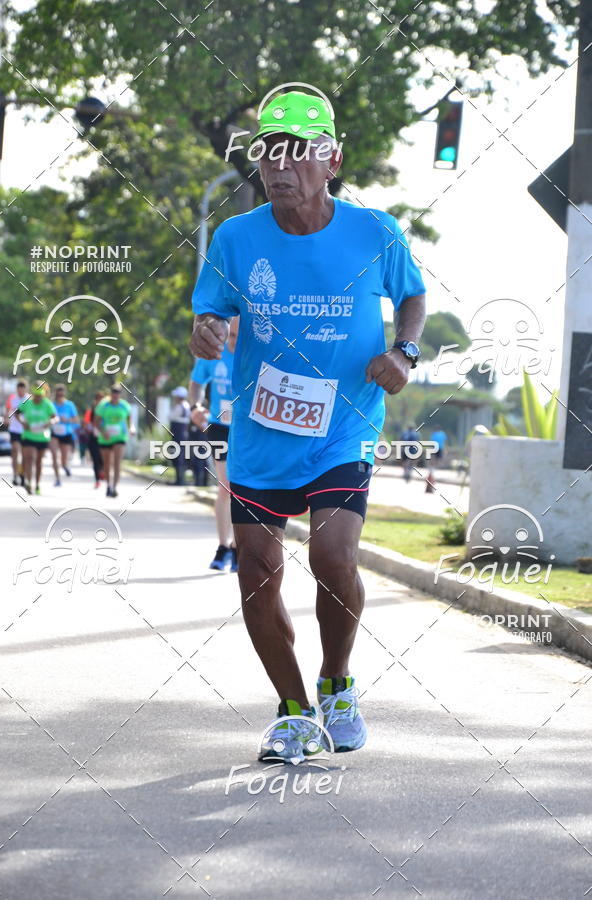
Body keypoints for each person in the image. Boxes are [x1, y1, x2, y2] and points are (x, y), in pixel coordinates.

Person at [189, 89, 426, 762]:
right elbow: (208, 315)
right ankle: (294, 713)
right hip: (263, 433)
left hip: (342, 426)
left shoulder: (373, 231)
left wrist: (405, 352)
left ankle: (337, 683)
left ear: (332, 160)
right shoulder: (237, 239)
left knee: (332, 558)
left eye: (298, 151)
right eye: (270, 150)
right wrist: (206, 333)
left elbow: (412, 294)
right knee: (256, 578)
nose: (280, 164)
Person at [189, 316, 239, 571]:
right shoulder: (215, 351)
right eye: (231, 337)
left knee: (246, 488)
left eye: (239, 339)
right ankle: (224, 546)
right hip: (219, 425)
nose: (234, 344)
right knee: (226, 486)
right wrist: (196, 406)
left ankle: (239, 547)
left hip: (250, 427)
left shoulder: (256, 353)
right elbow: (197, 383)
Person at [16, 381, 58, 495]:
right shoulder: (27, 403)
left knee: (38, 462)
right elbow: (16, 413)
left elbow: (55, 418)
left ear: (43, 395)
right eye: (36, 396)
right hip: (28, 436)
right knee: (30, 458)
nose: (38, 399)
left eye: (40, 397)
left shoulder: (47, 404)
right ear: (33, 394)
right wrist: (23, 423)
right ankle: (29, 482)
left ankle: (37, 484)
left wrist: (49, 423)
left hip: (42, 437)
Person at [94, 385, 133, 498]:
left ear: (120, 395)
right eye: (113, 393)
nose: (115, 395)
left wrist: (131, 428)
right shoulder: (103, 405)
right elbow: (96, 422)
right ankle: (108, 485)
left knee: (117, 462)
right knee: (107, 463)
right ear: (110, 394)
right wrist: (103, 431)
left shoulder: (124, 406)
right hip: (105, 437)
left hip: (120, 437)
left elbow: (130, 420)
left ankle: (114, 487)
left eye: (118, 393)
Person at [50, 384, 79, 487]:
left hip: (66, 433)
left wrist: (67, 420)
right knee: (54, 456)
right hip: (54, 433)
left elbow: (76, 419)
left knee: (63, 460)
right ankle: (57, 479)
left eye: (61, 394)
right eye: (58, 394)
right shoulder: (51, 405)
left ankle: (65, 466)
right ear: (55, 394)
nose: (59, 396)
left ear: (64, 394)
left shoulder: (70, 405)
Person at [4, 379, 29, 486]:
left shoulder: (29, 399)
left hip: (25, 430)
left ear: (25, 389)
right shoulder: (13, 398)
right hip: (14, 429)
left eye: (22, 390)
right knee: (15, 452)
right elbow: (7, 410)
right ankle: (15, 475)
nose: (20, 392)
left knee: (24, 455)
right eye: (18, 390)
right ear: (16, 389)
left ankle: (22, 474)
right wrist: (5, 418)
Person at [83, 390, 106, 488]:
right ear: (95, 400)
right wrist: (90, 427)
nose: (100, 402)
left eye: (102, 400)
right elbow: (85, 423)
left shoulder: (106, 410)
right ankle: (97, 480)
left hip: (104, 437)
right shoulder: (91, 411)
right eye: (98, 400)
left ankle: (102, 471)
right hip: (93, 438)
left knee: (102, 458)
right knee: (95, 459)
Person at [169, 386, 191, 486]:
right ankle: (180, 479)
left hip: (178, 434)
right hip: (183, 433)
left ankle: (180, 480)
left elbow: (170, 417)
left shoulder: (179, 407)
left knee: (178, 456)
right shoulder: (186, 405)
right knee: (180, 456)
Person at [426, 427, 448, 493]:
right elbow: (445, 442)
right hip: (440, 449)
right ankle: (435, 469)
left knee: (432, 464)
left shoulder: (434, 434)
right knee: (436, 463)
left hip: (435, 448)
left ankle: (433, 471)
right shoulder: (442, 434)